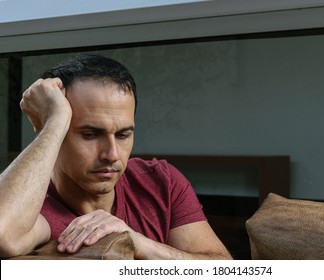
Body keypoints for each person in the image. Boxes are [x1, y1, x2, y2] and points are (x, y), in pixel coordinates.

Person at [0, 53, 232, 260]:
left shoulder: (160, 181)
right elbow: (3, 233)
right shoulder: (34, 208)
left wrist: (141, 244)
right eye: (90, 134)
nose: (112, 154)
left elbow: (223, 268)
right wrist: (53, 123)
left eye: (123, 135)